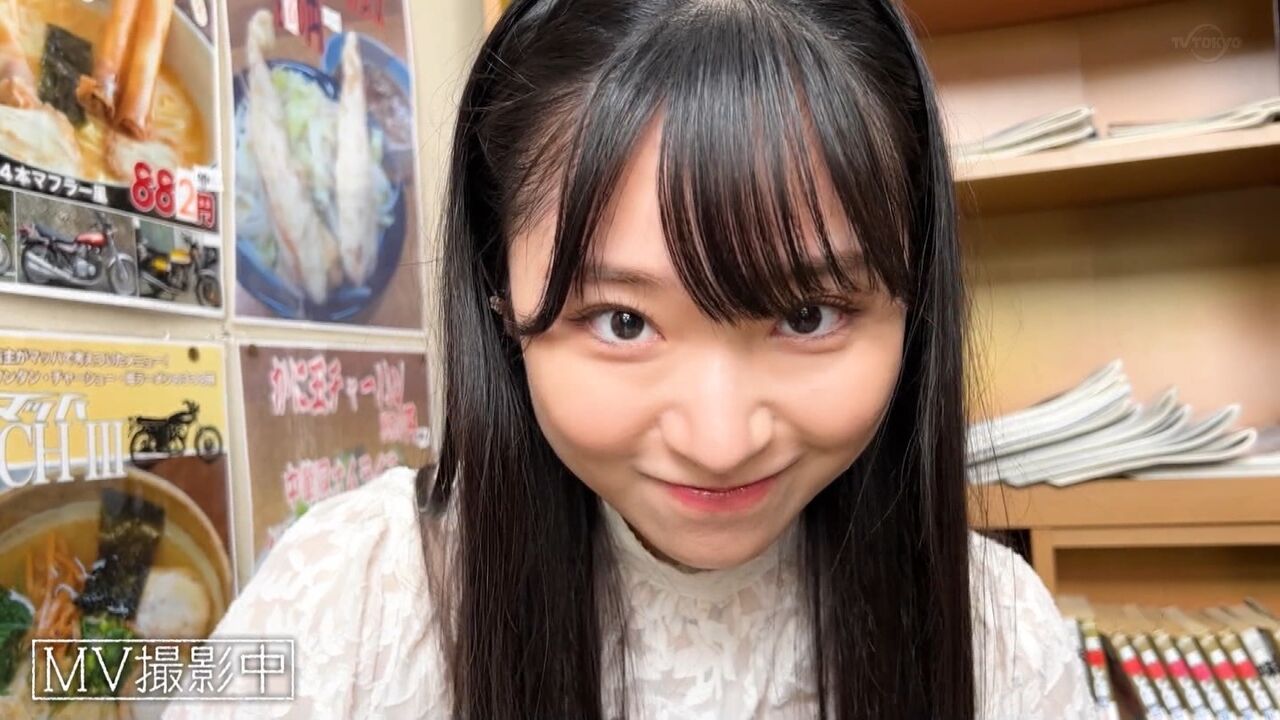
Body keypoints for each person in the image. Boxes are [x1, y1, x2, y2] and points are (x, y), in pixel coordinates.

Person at [164, 0, 1094, 718]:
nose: (720, 442)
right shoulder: (352, 596)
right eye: (621, 321)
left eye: (808, 315)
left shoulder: (997, 636)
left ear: (914, 300)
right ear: (500, 298)